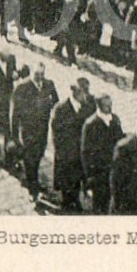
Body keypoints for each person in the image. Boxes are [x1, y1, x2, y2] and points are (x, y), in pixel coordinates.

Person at [10, 63, 58, 199]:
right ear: (32, 73)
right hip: (27, 131)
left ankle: (33, 180)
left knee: (38, 156)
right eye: (37, 74)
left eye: (42, 74)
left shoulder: (49, 84)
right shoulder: (22, 88)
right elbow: (14, 114)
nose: (40, 78)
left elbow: (56, 102)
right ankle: (33, 190)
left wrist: (50, 108)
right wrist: (14, 136)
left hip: (42, 130)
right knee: (30, 159)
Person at [50, 77, 94, 212]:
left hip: (82, 153)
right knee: (67, 183)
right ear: (74, 92)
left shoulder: (89, 105)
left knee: (78, 180)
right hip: (67, 155)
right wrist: (63, 155)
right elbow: (56, 136)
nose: (86, 95)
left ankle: (75, 201)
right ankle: (67, 203)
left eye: (87, 91)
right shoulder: (60, 109)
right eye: (83, 92)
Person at [80, 93, 124, 214]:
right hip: (98, 173)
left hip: (113, 168)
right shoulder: (90, 124)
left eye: (110, 105)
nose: (109, 108)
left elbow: (119, 139)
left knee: (110, 199)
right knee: (98, 203)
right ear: (98, 106)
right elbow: (85, 153)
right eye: (106, 106)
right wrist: (89, 177)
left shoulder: (114, 119)